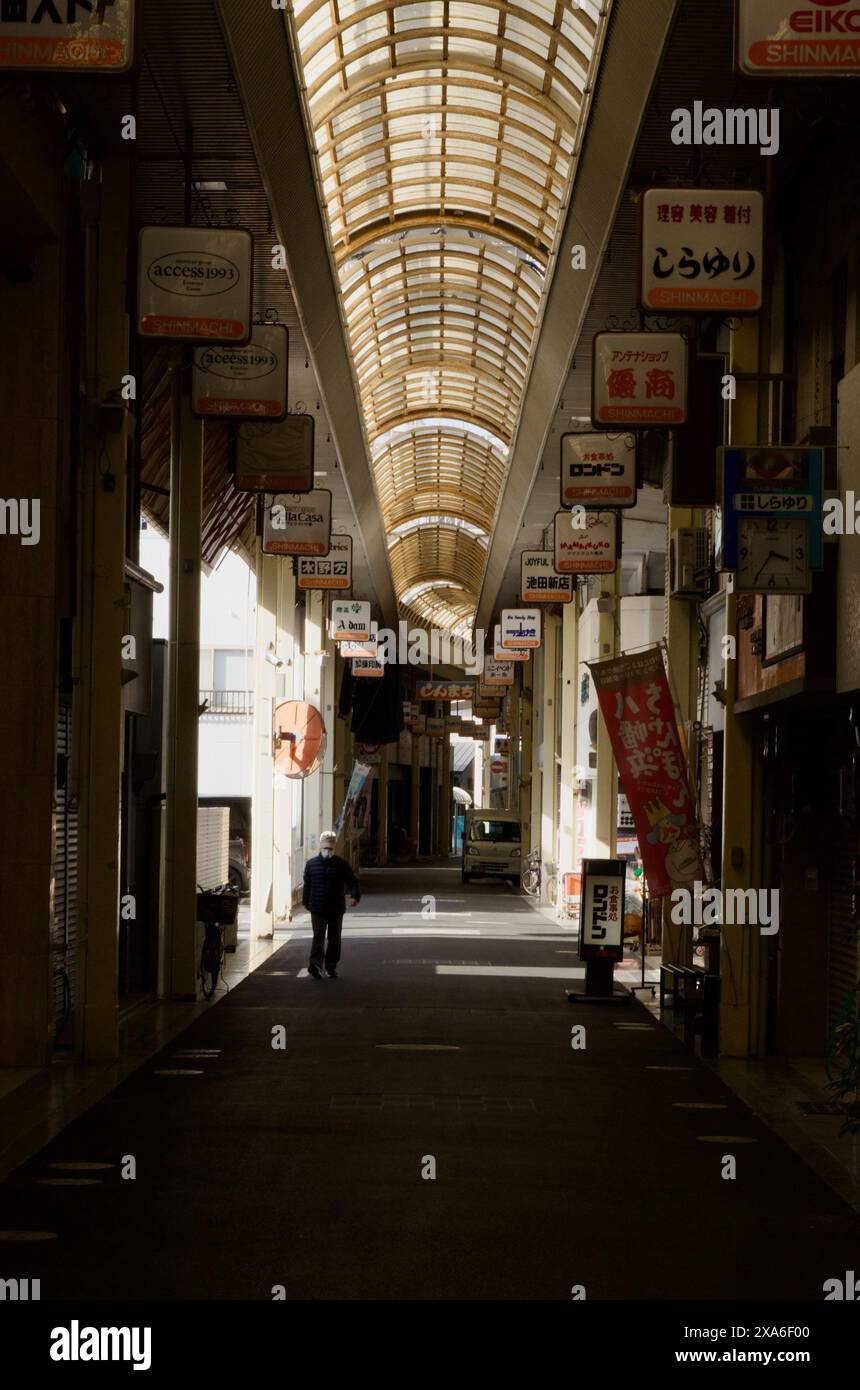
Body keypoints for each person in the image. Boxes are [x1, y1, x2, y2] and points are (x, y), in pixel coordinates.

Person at [302, 831, 360, 979]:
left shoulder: (341, 864)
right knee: (318, 937)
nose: (327, 851)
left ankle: (330, 966)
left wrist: (354, 896)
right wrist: (306, 902)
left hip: (336, 908)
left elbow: (352, 881)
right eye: (325, 848)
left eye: (330, 849)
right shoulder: (311, 865)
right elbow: (307, 886)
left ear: (334, 848)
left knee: (334, 938)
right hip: (317, 908)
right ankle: (315, 964)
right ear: (320, 847)